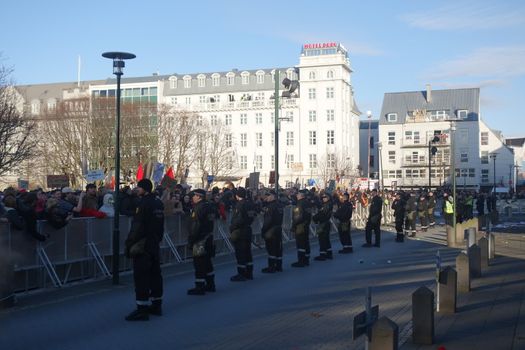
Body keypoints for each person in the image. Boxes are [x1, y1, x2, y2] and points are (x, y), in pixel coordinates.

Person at [124, 179, 165, 321]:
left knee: (141, 277)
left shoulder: (143, 204)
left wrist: (129, 244)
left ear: (144, 189)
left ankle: (142, 309)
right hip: (154, 243)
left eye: (139, 187)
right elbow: (161, 225)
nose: (136, 189)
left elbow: (137, 227)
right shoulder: (158, 203)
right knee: (155, 275)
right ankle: (156, 305)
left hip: (143, 244)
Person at [187, 189, 216, 295]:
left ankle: (200, 287)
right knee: (207, 262)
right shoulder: (210, 206)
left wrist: (191, 240)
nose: (192, 198)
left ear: (198, 196)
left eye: (193, 196)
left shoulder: (199, 207)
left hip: (200, 240)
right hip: (209, 237)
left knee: (199, 264)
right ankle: (210, 284)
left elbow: (196, 226)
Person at [229, 187, 255, 281]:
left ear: (237, 195)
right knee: (248, 253)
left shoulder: (240, 205)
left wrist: (231, 228)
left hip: (240, 231)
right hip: (248, 229)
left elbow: (238, 219)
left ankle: (242, 274)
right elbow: (252, 217)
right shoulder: (250, 204)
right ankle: (249, 272)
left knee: (240, 253)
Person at [260, 190, 284, 273]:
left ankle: (271, 267)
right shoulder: (280, 205)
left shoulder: (270, 207)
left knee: (271, 248)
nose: (267, 197)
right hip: (278, 228)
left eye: (268, 195)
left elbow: (268, 220)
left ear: (273, 196)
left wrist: (263, 230)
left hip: (271, 229)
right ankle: (279, 266)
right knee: (278, 248)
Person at [291, 189, 312, 267]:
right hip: (306, 225)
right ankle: (306, 259)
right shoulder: (308, 203)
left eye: (298, 194)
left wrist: (293, 226)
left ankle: (301, 261)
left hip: (300, 226)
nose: (297, 195)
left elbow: (298, 217)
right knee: (306, 242)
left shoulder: (299, 204)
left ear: (301, 195)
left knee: (300, 244)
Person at [312, 193, 333, 261]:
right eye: (323, 197)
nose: (324, 198)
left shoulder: (326, 205)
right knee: (326, 239)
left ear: (328, 198)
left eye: (325, 197)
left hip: (323, 223)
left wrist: (314, 218)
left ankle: (323, 254)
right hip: (325, 223)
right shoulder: (327, 204)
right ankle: (329, 253)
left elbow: (322, 214)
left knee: (322, 239)